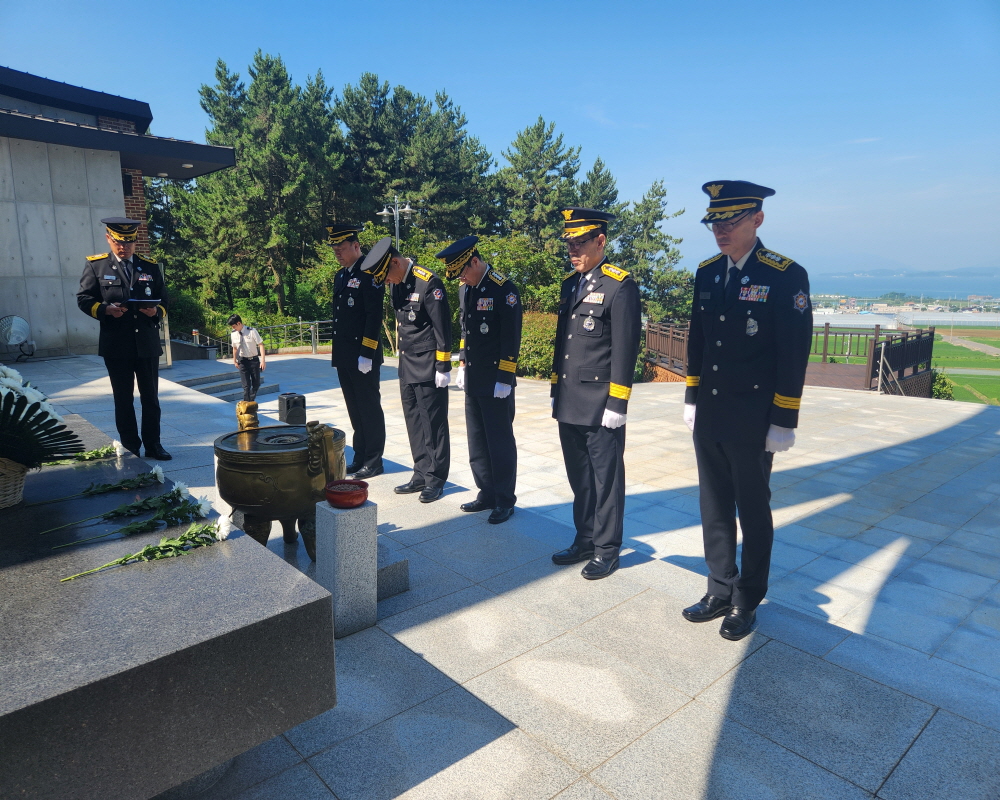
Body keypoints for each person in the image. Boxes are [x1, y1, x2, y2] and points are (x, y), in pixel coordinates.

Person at [681, 180, 812, 640]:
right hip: (712, 411)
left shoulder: (784, 275)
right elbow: (698, 341)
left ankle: (747, 598)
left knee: (753, 510)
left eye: (731, 222)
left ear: (757, 219)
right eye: (715, 223)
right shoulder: (708, 272)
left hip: (754, 417)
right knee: (713, 504)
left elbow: (793, 352)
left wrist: (784, 419)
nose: (721, 231)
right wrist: (692, 398)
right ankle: (719, 587)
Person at [549, 208, 641, 579]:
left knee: (607, 481)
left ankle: (606, 549)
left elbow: (625, 349)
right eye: (569, 243)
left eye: (580, 242)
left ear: (600, 241)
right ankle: (585, 538)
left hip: (601, 403)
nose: (572, 250)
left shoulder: (620, 285)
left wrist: (618, 402)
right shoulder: (569, 284)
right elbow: (563, 344)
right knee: (581, 479)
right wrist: (555, 388)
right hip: (570, 398)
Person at [436, 236, 522, 524]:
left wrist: (505, 377)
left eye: (462, 272)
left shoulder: (504, 289)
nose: (460, 278)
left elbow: (511, 336)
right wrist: (462, 363)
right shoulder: (467, 289)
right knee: (477, 440)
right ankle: (486, 492)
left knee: (499, 442)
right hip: (474, 376)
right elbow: (466, 329)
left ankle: (505, 499)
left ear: (475, 261)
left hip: (496, 380)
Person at [358, 237, 451, 503]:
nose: (387, 281)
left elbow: (442, 328)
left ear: (396, 263)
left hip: (428, 365)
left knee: (433, 424)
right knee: (414, 422)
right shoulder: (398, 283)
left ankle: (435, 479)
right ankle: (420, 472)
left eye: (387, 275)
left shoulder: (428, 282)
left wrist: (443, 366)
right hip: (407, 364)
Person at [77, 218, 171, 460]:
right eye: (119, 242)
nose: (124, 247)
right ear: (109, 239)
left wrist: (156, 311)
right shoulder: (97, 266)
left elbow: (164, 300)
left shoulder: (149, 266)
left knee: (151, 399)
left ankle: (153, 445)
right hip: (117, 345)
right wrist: (106, 310)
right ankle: (131, 446)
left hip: (146, 344)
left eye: (129, 243)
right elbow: (84, 299)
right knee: (123, 399)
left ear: (135, 241)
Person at [327, 223, 386, 480]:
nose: (338, 253)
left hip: (363, 356)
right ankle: (360, 455)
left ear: (356, 246)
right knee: (354, 409)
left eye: (341, 248)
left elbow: (374, 316)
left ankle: (374, 460)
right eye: (335, 250)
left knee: (369, 408)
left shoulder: (370, 274)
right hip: (345, 355)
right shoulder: (341, 275)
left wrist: (367, 352)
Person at [228, 314, 266, 402]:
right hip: (242, 361)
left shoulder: (252, 331)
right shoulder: (233, 334)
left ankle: (250, 402)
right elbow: (234, 348)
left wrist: (263, 361)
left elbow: (261, 345)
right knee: (246, 386)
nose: (233, 328)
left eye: (234, 326)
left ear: (239, 323)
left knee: (256, 384)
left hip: (253, 360)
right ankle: (246, 405)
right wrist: (234, 361)